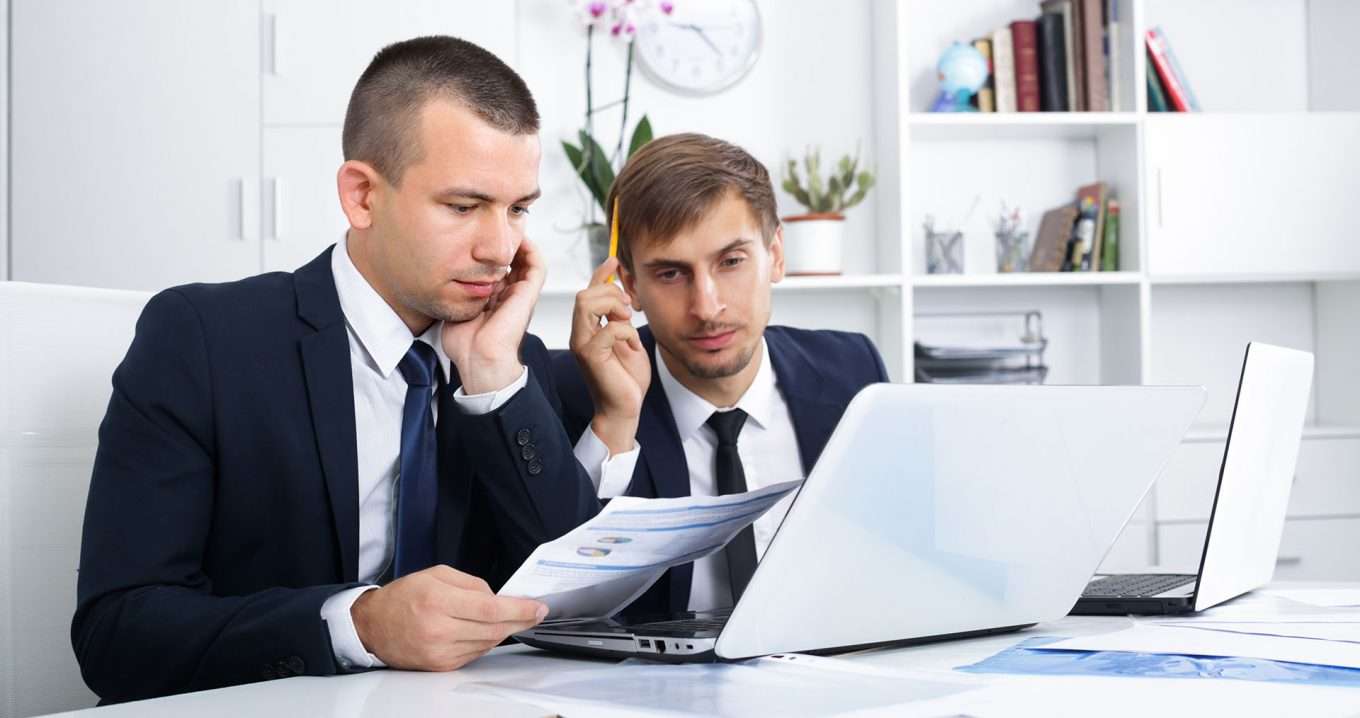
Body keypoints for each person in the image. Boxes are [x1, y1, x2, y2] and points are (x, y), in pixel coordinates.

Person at [72, 36, 599, 703]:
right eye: (464, 207)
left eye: (518, 209)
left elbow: (576, 604)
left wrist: (496, 382)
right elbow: (118, 634)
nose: (500, 249)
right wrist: (360, 625)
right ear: (361, 196)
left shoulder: (506, 358)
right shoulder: (204, 341)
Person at [554, 133, 889, 617]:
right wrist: (615, 423)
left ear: (774, 255)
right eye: (670, 274)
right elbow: (555, 605)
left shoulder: (853, 371)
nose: (707, 308)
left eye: (731, 262)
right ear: (629, 285)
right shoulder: (570, 388)